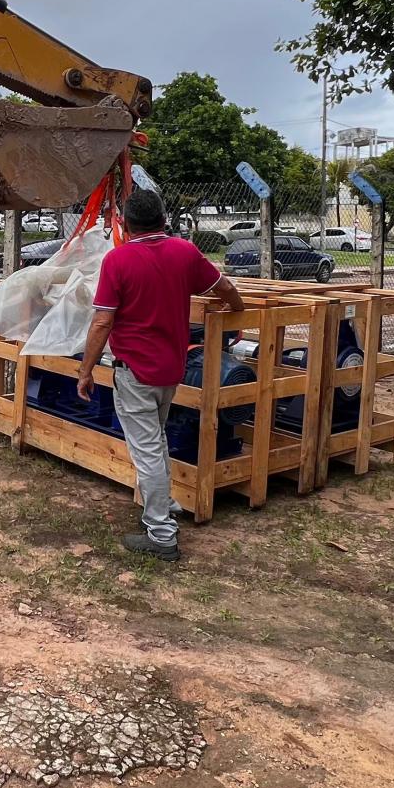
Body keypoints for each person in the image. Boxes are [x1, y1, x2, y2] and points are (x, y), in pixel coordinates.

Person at [78, 188, 245, 562]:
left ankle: (161, 534)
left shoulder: (118, 261)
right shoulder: (185, 252)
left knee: (148, 449)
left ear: (125, 222)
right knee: (157, 439)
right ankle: (166, 504)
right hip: (172, 369)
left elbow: (103, 320)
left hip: (135, 371)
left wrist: (85, 370)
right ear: (164, 218)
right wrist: (237, 312)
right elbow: (226, 287)